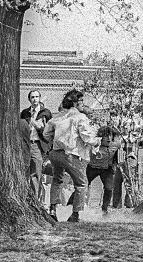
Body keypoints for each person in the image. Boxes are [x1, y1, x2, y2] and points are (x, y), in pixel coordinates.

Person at [43, 89, 101, 223]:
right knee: (81, 184)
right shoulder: (80, 117)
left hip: (55, 154)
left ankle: (52, 209)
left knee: (57, 180)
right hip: (72, 154)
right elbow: (87, 137)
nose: (82, 103)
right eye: (80, 101)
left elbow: (46, 134)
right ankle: (75, 214)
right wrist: (97, 140)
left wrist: (56, 139)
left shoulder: (57, 117)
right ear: (75, 103)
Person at [86, 123, 123, 214]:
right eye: (105, 136)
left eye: (110, 136)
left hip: (107, 169)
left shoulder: (116, 144)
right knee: (82, 185)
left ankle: (105, 209)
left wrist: (116, 163)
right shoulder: (94, 143)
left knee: (109, 188)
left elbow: (119, 157)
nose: (108, 139)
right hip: (92, 167)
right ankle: (70, 204)